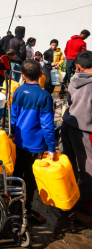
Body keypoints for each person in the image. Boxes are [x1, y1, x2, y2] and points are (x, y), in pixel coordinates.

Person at [11, 59, 56, 225]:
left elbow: (13, 117)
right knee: (30, 178)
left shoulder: (18, 91)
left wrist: (14, 133)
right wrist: (51, 147)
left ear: (22, 75)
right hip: (35, 143)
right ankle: (27, 211)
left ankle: (14, 203)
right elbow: (47, 124)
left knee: (18, 170)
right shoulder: (45, 96)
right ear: (41, 74)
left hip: (20, 139)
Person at [61, 51, 92, 228]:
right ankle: (84, 212)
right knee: (88, 171)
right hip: (86, 131)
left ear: (78, 67)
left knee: (70, 166)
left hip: (68, 124)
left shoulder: (73, 79)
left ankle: (68, 199)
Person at [60, 29, 90, 94]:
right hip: (77, 61)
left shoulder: (69, 41)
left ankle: (62, 89)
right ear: (85, 36)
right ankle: (74, 90)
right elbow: (83, 53)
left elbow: (65, 50)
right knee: (76, 74)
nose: (85, 38)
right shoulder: (82, 43)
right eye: (86, 37)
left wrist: (68, 57)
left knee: (67, 74)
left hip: (69, 60)